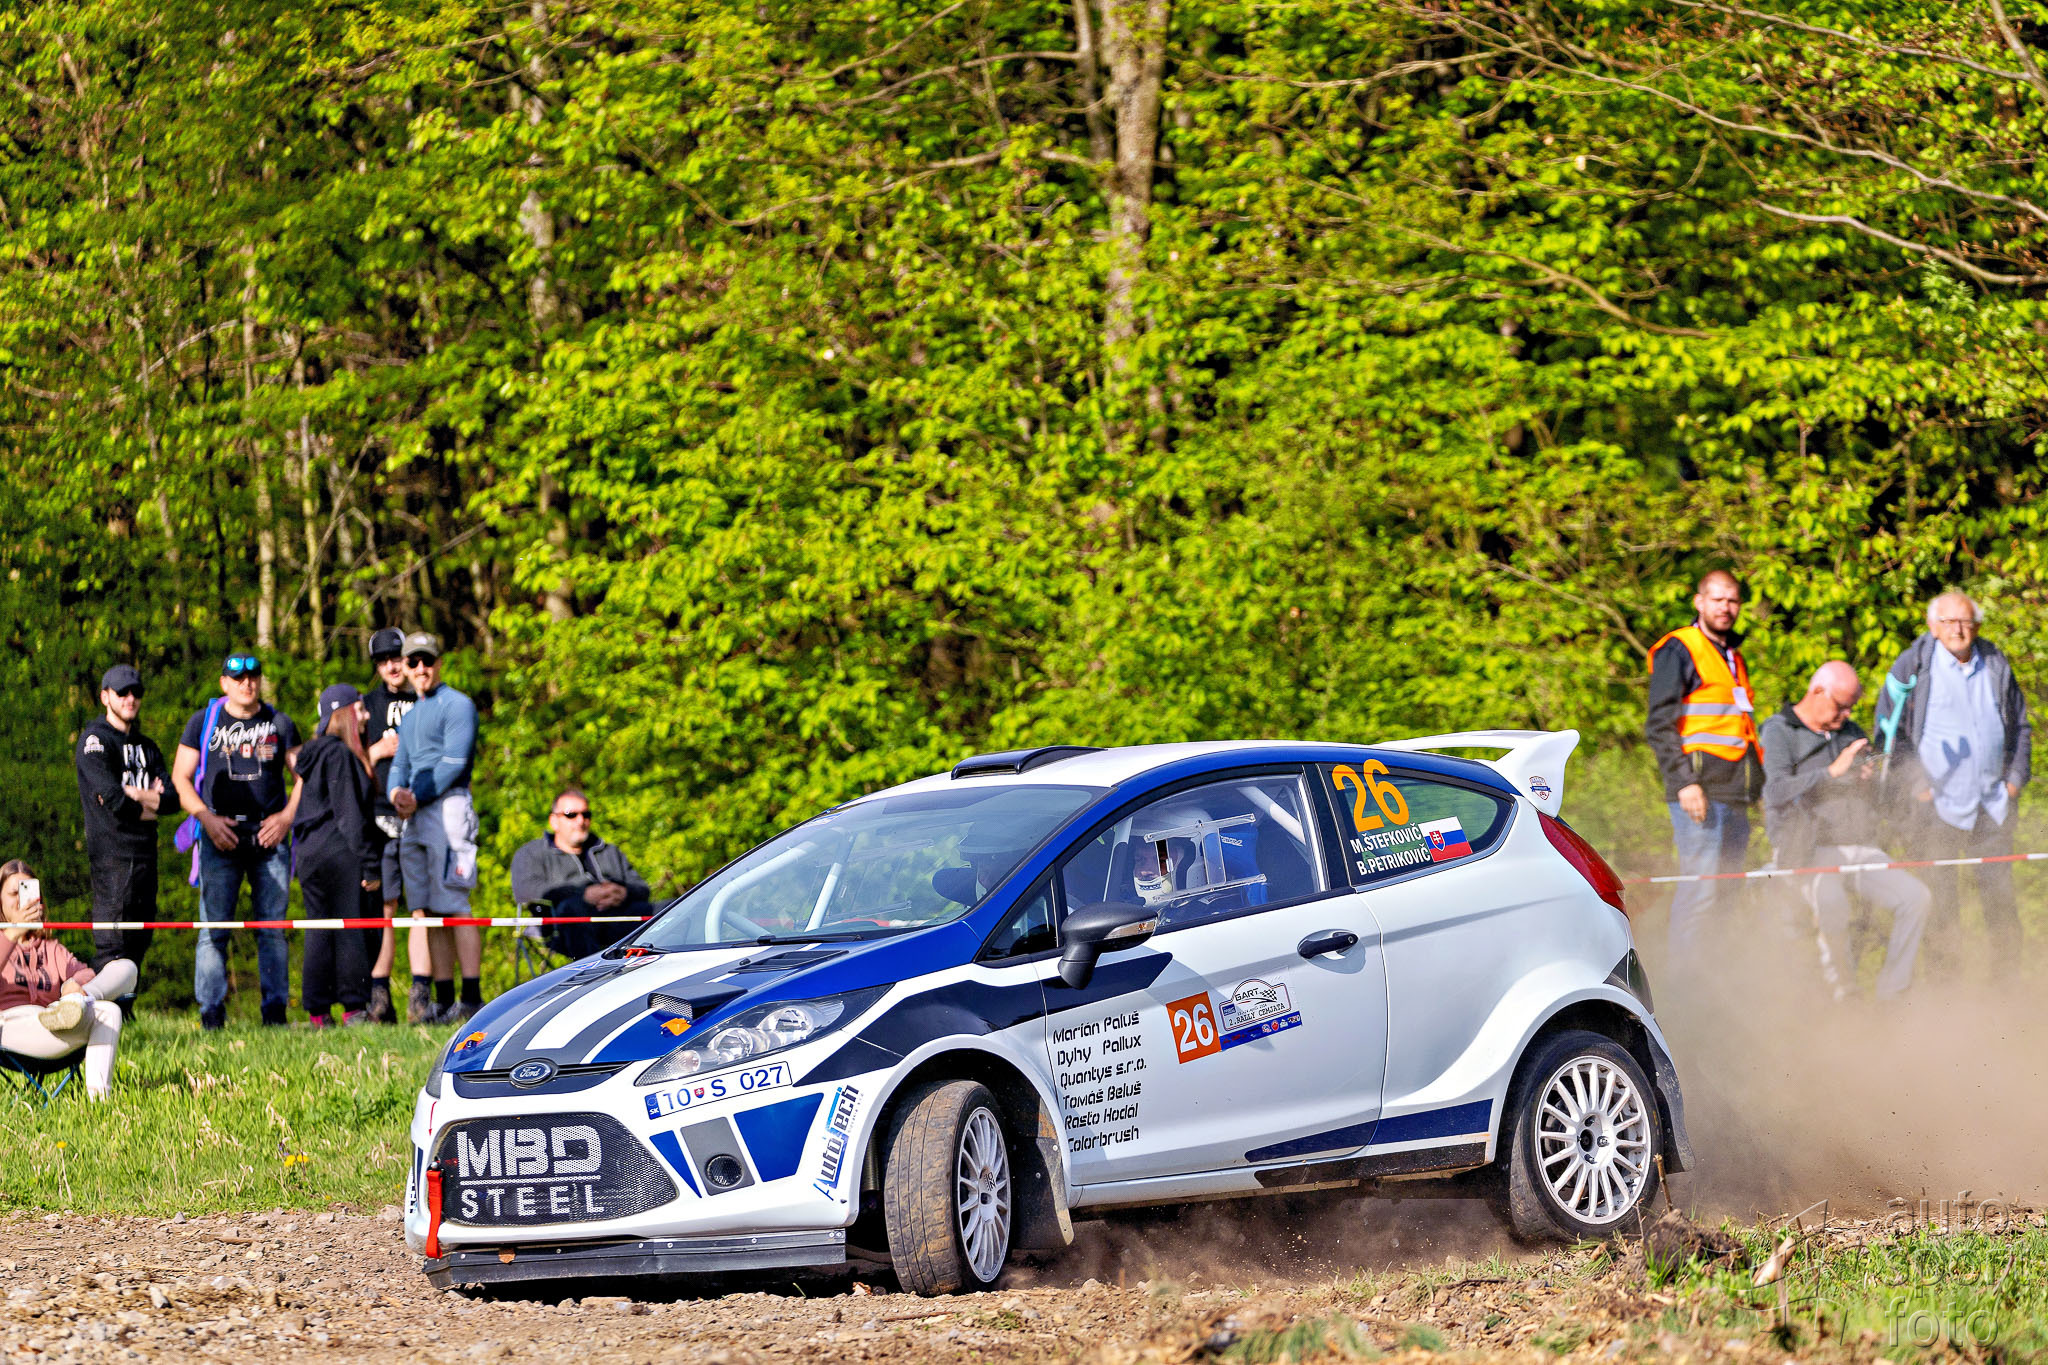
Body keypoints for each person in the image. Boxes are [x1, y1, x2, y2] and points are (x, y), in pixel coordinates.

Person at [1873, 590, 2032, 978]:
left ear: (1976, 625)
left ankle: (2008, 985)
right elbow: (1889, 732)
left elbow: (2021, 726)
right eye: (1948, 621)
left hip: (1991, 804)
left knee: (2001, 902)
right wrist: (1916, 786)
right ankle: (1945, 989)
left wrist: (2014, 780)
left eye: (1965, 621)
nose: (1957, 629)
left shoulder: (1995, 661)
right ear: (1932, 626)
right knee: (1940, 903)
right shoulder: (1913, 665)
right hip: (1935, 809)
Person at [1759, 663, 1929, 1000]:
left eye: (1851, 706)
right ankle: (1844, 994)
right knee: (1831, 902)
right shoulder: (1780, 729)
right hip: (1808, 851)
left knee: (1916, 897)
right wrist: (1831, 773)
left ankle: (1892, 992)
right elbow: (1775, 791)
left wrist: (1867, 779)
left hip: (1860, 848)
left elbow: (1875, 795)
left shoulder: (1850, 731)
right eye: (1841, 705)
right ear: (1817, 691)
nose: (1847, 714)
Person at [172, 651, 302, 1029]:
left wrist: (287, 818)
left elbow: (305, 777)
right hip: (219, 838)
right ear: (224, 683)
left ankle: (275, 1015)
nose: (247, 683)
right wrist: (207, 820)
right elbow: (180, 778)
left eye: (253, 676)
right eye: (238, 678)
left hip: (269, 838)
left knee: (272, 930)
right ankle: (211, 1016)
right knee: (213, 931)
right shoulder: (203, 722)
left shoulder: (280, 722)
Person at [1645, 570, 1764, 962]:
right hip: (1699, 793)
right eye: (1717, 599)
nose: (1725, 607)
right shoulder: (1680, 648)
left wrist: (1757, 787)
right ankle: (1686, 987)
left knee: (1726, 897)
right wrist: (1684, 782)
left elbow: (1739, 729)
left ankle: (1717, 979)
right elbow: (1659, 725)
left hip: (1735, 794)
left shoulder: (1732, 656)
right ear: (1699, 602)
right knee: (1700, 895)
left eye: (1732, 600)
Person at [387, 633, 483, 1023]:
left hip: (448, 807)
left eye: (428, 660)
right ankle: (444, 1001)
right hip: (415, 814)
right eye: (414, 662)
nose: (421, 668)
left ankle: (471, 998)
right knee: (428, 910)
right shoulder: (411, 716)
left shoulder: (458, 705)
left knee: (455, 904)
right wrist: (395, 792)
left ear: (439, 663)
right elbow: (400, 763)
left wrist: (415, 795)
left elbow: (454, 762)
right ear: (405, 667)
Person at [1, 860, 136, 1099]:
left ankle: (99, 1105)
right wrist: (13, 933)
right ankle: (74, 1002)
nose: (22, 901)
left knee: (121, 980)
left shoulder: (51, 948)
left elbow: (85, 973)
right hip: (10, 1029)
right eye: (14, 893)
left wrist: (72, 987)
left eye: (27, 892)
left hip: (53, 1022)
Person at [74, 663, 167, 1002]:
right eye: (122, 692)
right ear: (105, 697)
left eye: (136, 692)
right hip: (112, 856)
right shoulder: (95, 741)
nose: (130, 698)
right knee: (113, 945)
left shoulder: (147, 746)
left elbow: (172, 799)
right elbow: (112, 798)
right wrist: (148, 801)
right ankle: (103, 1013)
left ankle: (125, 1011)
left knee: (141, 937)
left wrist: (135, 794)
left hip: (146, 854)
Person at [294, 684, 381, 1026]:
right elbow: (349, 816)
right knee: (349, 929)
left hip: (308, 852)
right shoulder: (340, 756)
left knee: (318, 929)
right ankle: (354, 1009)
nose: (366, 716)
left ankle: (318, 1013)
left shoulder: (312, 754)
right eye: (359, 709)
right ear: (343, 714)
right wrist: (371, 865)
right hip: (339, 851)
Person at [510, 789, 652, 959]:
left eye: (586, 815)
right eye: (571, 815)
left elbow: (642, 888)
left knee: (673, 908)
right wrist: (582, 894)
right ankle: (595, 972)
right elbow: (525, 890)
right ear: (554, 821)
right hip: (565, 928)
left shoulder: (609, 851)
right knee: (571, 909)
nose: (580, 821)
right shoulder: (531, 853)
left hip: (621, 917)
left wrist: (624, 893)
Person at [361, 628, 417, 1023]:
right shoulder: (365, 706)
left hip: (422, 815)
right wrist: (376, 750)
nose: (392, 666)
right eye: (383, 661)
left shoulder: (425, 699)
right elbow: (346, 762)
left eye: (396, 657)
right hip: (379, 817)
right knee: (385, 907)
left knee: (426, 908)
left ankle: (425, 994)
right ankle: (379, 995)